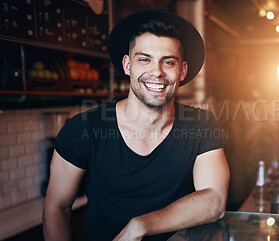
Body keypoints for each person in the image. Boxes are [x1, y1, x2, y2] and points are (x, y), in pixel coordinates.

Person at [43, 9, 230, 241]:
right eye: (144, 59)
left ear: (182, 71)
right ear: (127, 65)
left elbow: (214, 201)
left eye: (168, 62)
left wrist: (140, 225)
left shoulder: (201, 124)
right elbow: (57, 208)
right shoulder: (82, 129)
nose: (157, 72)